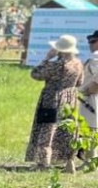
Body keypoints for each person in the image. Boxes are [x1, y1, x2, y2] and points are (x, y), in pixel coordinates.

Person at [24, 36, 84, 172]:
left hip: (52, 99)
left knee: (47, 129)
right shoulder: (78, 63)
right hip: (71, 100)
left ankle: (43, 163)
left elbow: (35, 74)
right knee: (67, 130)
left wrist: (47, 58)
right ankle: (69, 162)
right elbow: (80, 82)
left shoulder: (57, 65)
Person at [80, 31, 98, 158]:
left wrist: (85, 92)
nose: (90, 44)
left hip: (91, 97)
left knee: (89, 129)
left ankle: (90, 161)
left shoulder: (96, 57)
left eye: (93, 41)